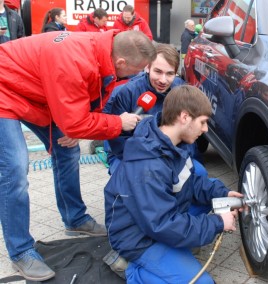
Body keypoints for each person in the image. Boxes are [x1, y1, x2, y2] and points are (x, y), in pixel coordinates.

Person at [0, 30, 156, 281]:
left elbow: (89, 101)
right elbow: (76, 120)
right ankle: (20, 251)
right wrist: (115, 122)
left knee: (68, 149)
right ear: (121, 63)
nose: (138, 76)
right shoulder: (72, 62)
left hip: (38, 93)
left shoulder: (102, 50)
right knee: (15, 170)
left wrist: (79, 126)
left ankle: (74, 218)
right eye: (137, 70)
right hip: (4, 89)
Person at [104, 85, 243, 283]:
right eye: (203, 122)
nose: (205, 129)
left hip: (158, 218)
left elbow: (192, 182)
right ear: (184, 117)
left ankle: (172, 253)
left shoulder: (176, 143)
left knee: (212, 191)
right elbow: (162, 224)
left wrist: (223, 193)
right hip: (137, 237)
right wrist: (218, 223)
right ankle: (135, 271)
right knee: (202, 282)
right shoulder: (148, 168)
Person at [105, 43, 186, 175]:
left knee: (198, 173)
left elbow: (188, 137)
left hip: (168, 155)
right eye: (158, 71)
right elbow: (117, 142)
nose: (163, 80)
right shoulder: (127, 92)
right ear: (147, 67)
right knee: (140, 180)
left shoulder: (181, 92)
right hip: (128, 156)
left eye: (170, 74)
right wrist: (151, 160)